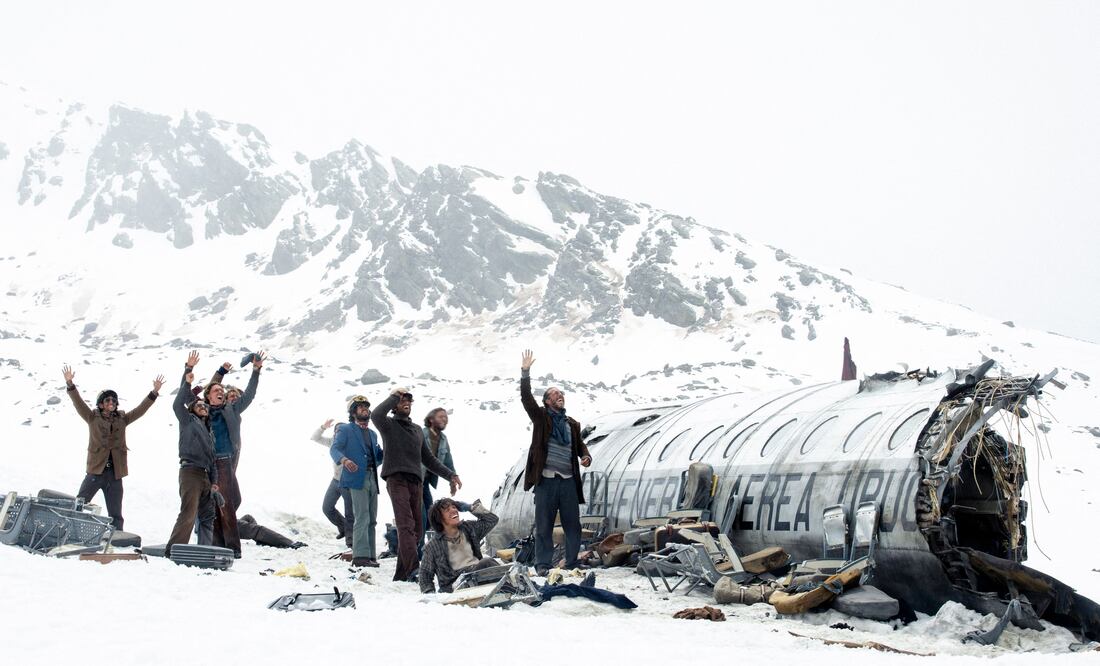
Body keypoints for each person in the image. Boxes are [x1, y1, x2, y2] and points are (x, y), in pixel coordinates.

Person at [372, 387, 461, 582]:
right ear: (395, 406)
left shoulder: (416, 431)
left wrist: (450, 475)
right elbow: (376, 414)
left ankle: (402, 574)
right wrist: (394, 395)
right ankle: (414, 569)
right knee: (406, 526)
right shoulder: (388, 424)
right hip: (396, 479)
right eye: (402, 400)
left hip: (416, 482)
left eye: (409, 400)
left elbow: (428, 459)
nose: (406, 402)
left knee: (418, 530)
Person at [61, 365, 164, 531]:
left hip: (115, 474)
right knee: (79, 503)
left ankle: (117, 539)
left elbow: (140, 410)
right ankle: (67, 530)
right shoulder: (92, 417)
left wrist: (154, 393)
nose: (112, 402)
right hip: (96, 471)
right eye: (108, 400)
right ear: (101, 404)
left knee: (116, 513)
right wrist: (70, 384)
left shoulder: (122, 419)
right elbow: (78, 402)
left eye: (114, 400)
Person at [519, 349, 592, 576]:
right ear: (547, 401)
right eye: (554, 394)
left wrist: (585, 456)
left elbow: (578, 445)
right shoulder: (541, 418)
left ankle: (571, 562)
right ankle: (543, 565)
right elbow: (526, 398)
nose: (560, 396)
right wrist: (525, 372)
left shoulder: (571, 424)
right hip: (547, 481)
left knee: (573, 524)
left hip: (568, 481)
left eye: (561, 393)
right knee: (545, 525)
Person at [203, 353, 265, 557]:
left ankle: (217, 539)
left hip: (228, 461)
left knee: (233, 500)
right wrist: (220, 373)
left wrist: (256, 371)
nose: (220, 392)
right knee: (226, 503)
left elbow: (249, 394)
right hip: (214, 462)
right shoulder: (202, 411)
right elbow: (201, 392)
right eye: (217, 391)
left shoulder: (231, 409)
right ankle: (232, 547)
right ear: (209, 396)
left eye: (222, 391)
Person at [166, 351, 219, 555]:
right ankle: (174, 550)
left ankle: (205, 550)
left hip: (205, 474)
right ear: (192, 410)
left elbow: (212, 459)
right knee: (188, 513)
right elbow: (178, 402)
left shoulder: (209, 431)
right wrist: (188, 373)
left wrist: (214, 480)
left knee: (207, 515)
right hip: (190, 471)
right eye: (198, 405)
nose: (203, 406)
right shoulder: (187, 421)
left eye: (205, 405)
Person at [331, 396, 384, 567]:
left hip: (372, 478)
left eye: (366, 407)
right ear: (353, 412)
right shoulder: (346, 430)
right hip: (355, 479)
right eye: (360, 407)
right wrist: (345, 461)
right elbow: (335, 449)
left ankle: (370, 555)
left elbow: (377, 457)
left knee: (372, 518)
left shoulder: (373, 434)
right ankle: (360, 557)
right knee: (362, 516)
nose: (364, 409)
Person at [419, 498, 499, 594]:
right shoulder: (432, 545)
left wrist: (470, 507)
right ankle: (511, 589)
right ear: (439, 518)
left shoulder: (469, 529)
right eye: (447, 510)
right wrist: (430, 595)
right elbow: (425, 574)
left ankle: (509, 590)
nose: (453, 510)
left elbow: (492, 520)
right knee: (487, 562)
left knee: (498, 567)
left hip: (478, 575)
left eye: (454, 507)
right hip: (456, 586)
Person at [419, 407, 457, 556]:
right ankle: (419, 550)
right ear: (431, 419)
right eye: (441, 417)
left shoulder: (443, 439)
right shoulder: (421, 433)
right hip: (416, 479)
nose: (444, 419)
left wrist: (452, 478)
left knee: (430, 514)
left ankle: (424, 545)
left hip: (427, 481)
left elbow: (448, 460)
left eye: (446, 417)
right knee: (421, 515)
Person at [311, 419, 354, 546]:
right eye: (336, 430)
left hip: (348, 482)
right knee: (327, 508)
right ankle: (343, 528)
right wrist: (323, 427)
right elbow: (315, 438)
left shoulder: (351, 444)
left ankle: (351, 540)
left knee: (350, 512)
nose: (337, 433)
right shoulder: (332, 442)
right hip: (335, 481)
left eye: (340, 430)